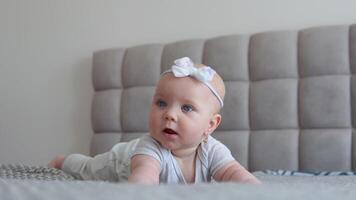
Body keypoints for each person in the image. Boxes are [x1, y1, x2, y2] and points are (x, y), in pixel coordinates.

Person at [49, 57, 261, 185]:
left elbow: (236, 174)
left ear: (211, 125)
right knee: (88, 167)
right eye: (161, 103)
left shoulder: (212, 151)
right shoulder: (150, 148)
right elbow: (144, 178)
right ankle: (62, 160)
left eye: (186, 108)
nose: (169, 114)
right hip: (119, 161)